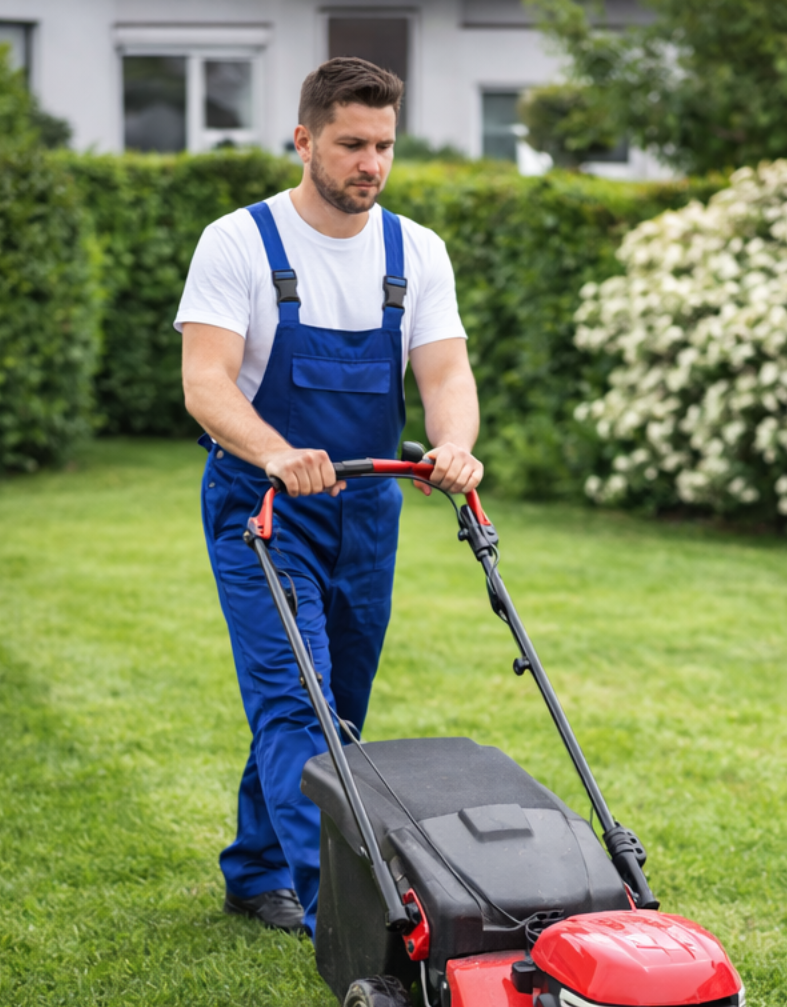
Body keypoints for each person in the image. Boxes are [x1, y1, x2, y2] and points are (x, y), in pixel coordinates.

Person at [178, 57, 485, 935]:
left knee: (334, 705)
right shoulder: (238, 242)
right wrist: (276, 453)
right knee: (297, 699)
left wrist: (455, 447)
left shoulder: (415, 250)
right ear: (305, 139)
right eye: (352, 143)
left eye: (385, 145)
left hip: (369, 511)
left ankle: (253, 867)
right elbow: (205, 383)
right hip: (262, 507)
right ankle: (347, 919)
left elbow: (445, 371)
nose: (371, 163)